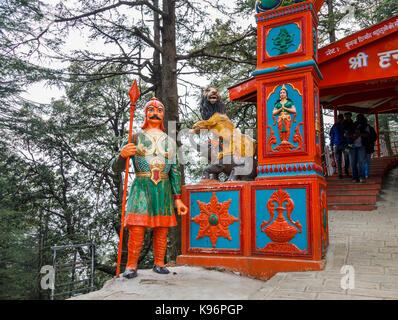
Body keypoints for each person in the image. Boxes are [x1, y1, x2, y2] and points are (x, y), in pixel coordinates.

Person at [111, 97, 188, 279]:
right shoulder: (135, 137)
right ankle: (131, 266)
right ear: (145, 113)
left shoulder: (170, 141)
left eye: (159, 110)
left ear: (163, 115)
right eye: (151, 109)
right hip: (142, 185)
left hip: (164, 187)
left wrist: (178, 199)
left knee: (162, 227)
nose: (155, 113)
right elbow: (116, 167)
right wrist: (122, 155)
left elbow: (175, 171)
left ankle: (159, 263)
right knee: (137, 227)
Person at [344, 114, 369, 183]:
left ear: (363, 119)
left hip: (361, 145)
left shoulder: (365, 126)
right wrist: (351, 136)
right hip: (352, 146)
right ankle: (354, 177)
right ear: (356, 119)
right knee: (352, 162)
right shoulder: (352, 125)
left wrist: (359, 134)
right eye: (358, 118)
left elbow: (367, 134)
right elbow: (345, 134)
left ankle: (361, 177)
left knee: (361, 162)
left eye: (360, 118)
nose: (359, 119)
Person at [329, 114, 347, 179]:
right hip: (337, 145)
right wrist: (331, 145)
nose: (340, 119)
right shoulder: (334, 126)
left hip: (344, 145)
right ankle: (340, 174)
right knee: (338, 160)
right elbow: (332, 136)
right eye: (339, 118)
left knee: (346, 158)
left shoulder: (345, 125)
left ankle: (346, 170)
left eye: (341, 118)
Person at [342, 112, 354, 176]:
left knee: (352, 157)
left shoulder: (352, 123)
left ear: (350, 116)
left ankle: (351, 170)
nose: (347, 117)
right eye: (346, 116)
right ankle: (346, 170)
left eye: (348, 116)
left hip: (352, 143)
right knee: (347, 157)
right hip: (346, 144)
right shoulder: (343, 124)